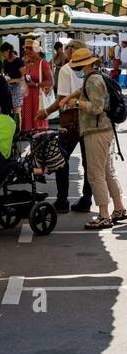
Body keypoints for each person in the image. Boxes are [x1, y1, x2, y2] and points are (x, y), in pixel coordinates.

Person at [62, 46, 126, 230]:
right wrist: (71, 97)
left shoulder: (92, 80)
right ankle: (119, 208)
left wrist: (75, 103)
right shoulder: (96, 76)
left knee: (95, 174)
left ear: (82, 66)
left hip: (96, 131)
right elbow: (83, 91)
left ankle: (104, 215)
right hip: (105, 130)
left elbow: (96, 107)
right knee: (107, 172)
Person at [48, 38, 92, 214]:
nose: (66, 52)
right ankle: (87, 198)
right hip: (89, 120)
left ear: (73, 50)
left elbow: (61, 99)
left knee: (61, 159)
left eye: (67, 49)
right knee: (88, 162)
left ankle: (62, 199)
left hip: (71, 120)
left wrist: (46, 111)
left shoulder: (66, 70)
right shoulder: (91, 70)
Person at [21, 42, 53, 133]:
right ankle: (32, 146)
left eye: (30, 48)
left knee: (39, 127)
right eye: (26, 48)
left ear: (37, 50)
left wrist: (36, 85)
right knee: (29, 129)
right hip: (27, 98)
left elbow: (51, 82)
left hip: (38, 97)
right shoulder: (27, 63)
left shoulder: (43, 63)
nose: (27, 51)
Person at [0, 41, 25, 118]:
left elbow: (24, 77)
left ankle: (18, 128)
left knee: (16, 110)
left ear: (8, 51)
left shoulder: (19, 61)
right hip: (8, 88)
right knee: (8, 109)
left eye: (3, 52)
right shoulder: (5, 61)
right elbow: (5, 74)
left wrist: (13, 80)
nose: (3, 55)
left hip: (17, 88)